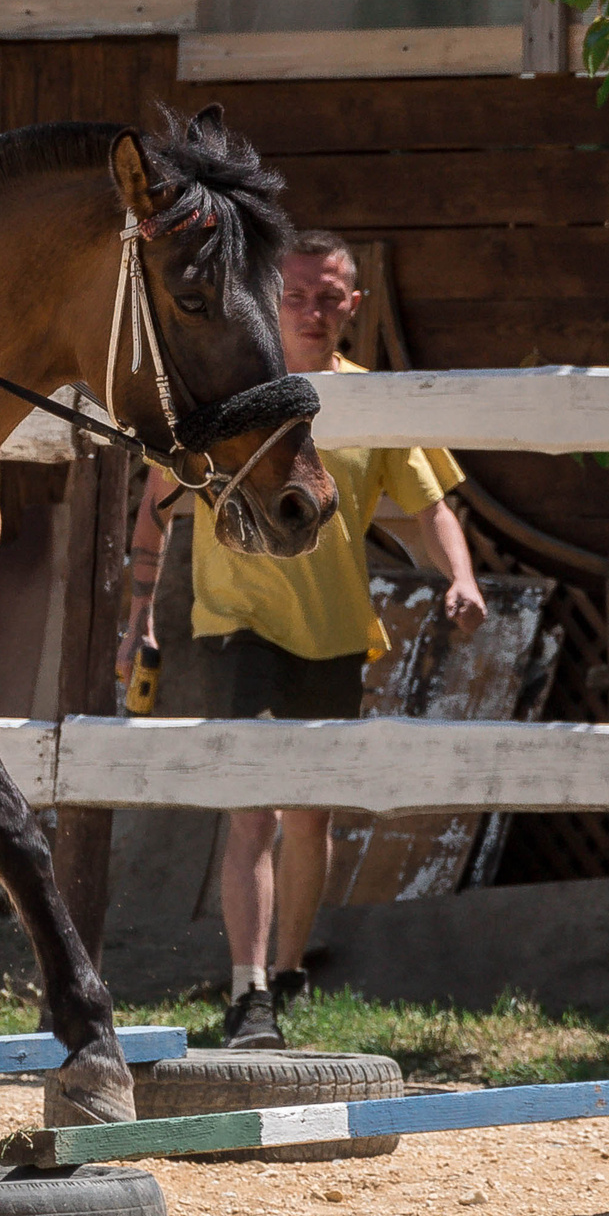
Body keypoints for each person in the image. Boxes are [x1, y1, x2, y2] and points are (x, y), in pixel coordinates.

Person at [124, 227, 487, 1050]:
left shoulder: (377, 402)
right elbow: (155, 505)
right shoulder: (228, 386)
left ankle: (286, 975)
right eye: (295, 295)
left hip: (330, 632)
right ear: (268, 298)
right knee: (252, 810)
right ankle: (247, 991)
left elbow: (431, 508)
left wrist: (459, 577)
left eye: (329, 297)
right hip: (235, 624)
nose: (313, 311)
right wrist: (138, 616)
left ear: (353, 305)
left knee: (310, 815)